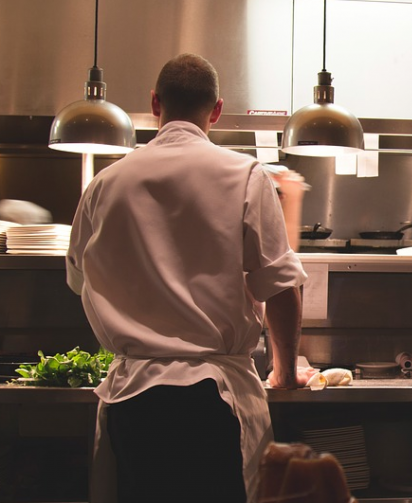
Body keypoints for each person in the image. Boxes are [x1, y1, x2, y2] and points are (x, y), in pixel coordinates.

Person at [66, 53, 310, 503]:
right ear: (216, 110)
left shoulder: (104, 183)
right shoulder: (244, 174)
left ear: (155, 103)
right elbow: (279, 285)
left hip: (132, 401)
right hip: (213, 400)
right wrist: (285, 372)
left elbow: (80, 281)